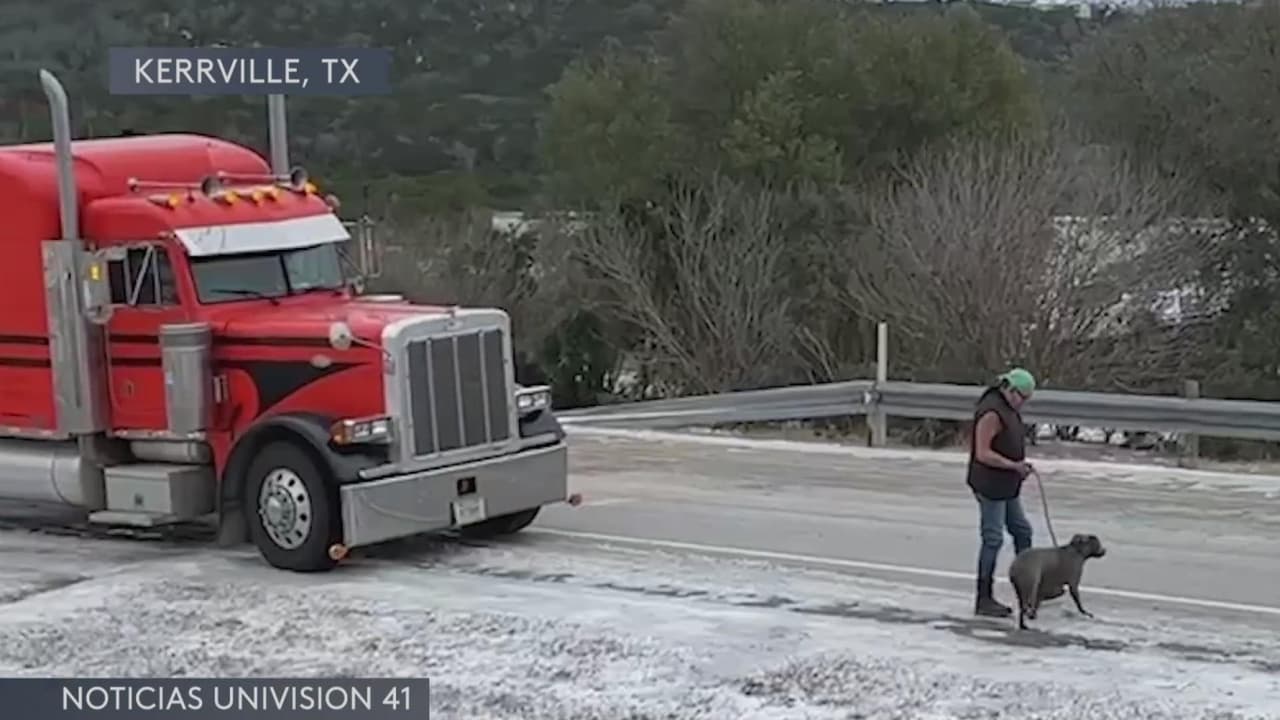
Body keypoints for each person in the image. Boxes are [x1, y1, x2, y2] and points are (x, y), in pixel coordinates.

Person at [966, 367, 1037, 618]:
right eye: (1023, 397)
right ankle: (983, 598)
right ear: (1010, 389)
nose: (1024, 403)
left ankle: (1030, 584)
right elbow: (983, 453)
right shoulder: (992, 412)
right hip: (990, 485)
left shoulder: (1009, 408)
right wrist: (1014, 466)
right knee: (993, 539)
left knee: (1022, 530)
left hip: (1007, 484)